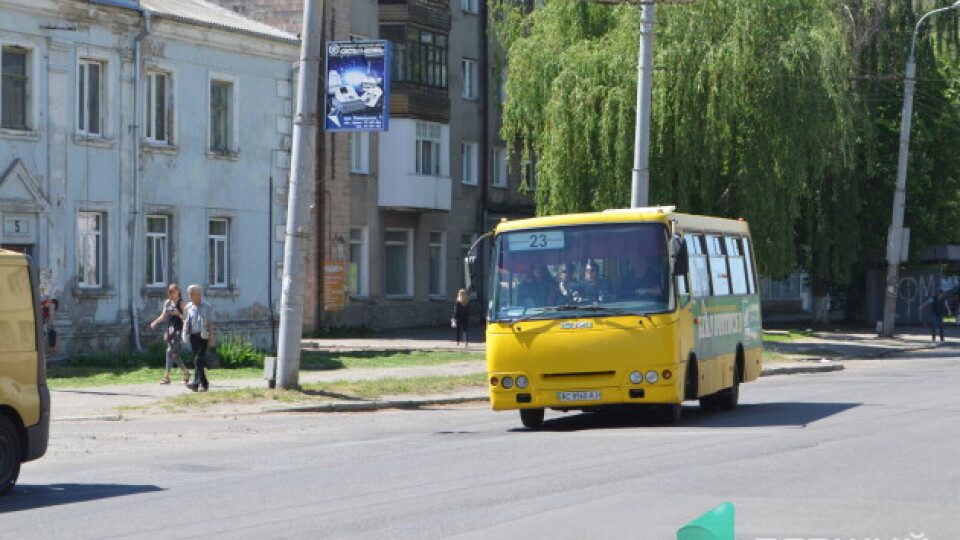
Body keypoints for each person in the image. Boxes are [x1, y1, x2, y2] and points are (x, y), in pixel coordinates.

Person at [149, 284, 190, 385]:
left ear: (178, 292)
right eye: (170, 291)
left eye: (173, 291)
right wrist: (155, 322)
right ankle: (186, 372)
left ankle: (166, 377)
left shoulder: (182, 303)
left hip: (178, 330)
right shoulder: (167, 303)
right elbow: (163, 316)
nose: (171, 294)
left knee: (169, 351)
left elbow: (186, 317)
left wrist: (178, 314)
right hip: (170, 329)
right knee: (174, 355)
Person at [184, 284, 215, 392]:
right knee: (198, 361)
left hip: (203, 336)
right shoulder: (188, 307)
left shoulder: (207, 306)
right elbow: (186, 321)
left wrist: (211, 339)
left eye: (192, 294)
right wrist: (185, 333)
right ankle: (199, 384)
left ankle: (201, 383)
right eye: (189, 294)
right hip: (193, 336)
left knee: (198, 359)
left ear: (198, 294)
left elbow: (210, 323)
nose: (190, 296)